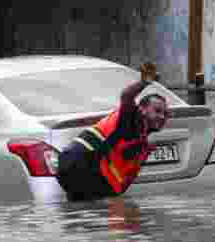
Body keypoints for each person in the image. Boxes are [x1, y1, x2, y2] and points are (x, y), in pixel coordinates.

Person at [56, 63, 170, 201]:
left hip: (84, 169)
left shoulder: (142, 140)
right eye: (157, 111)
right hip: (80, 163)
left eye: (165, 114)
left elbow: (121, 182)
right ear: (142, 109)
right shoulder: (130, 116)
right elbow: (127, 96)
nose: (162, 117)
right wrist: (143, 83)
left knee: (89, 212)